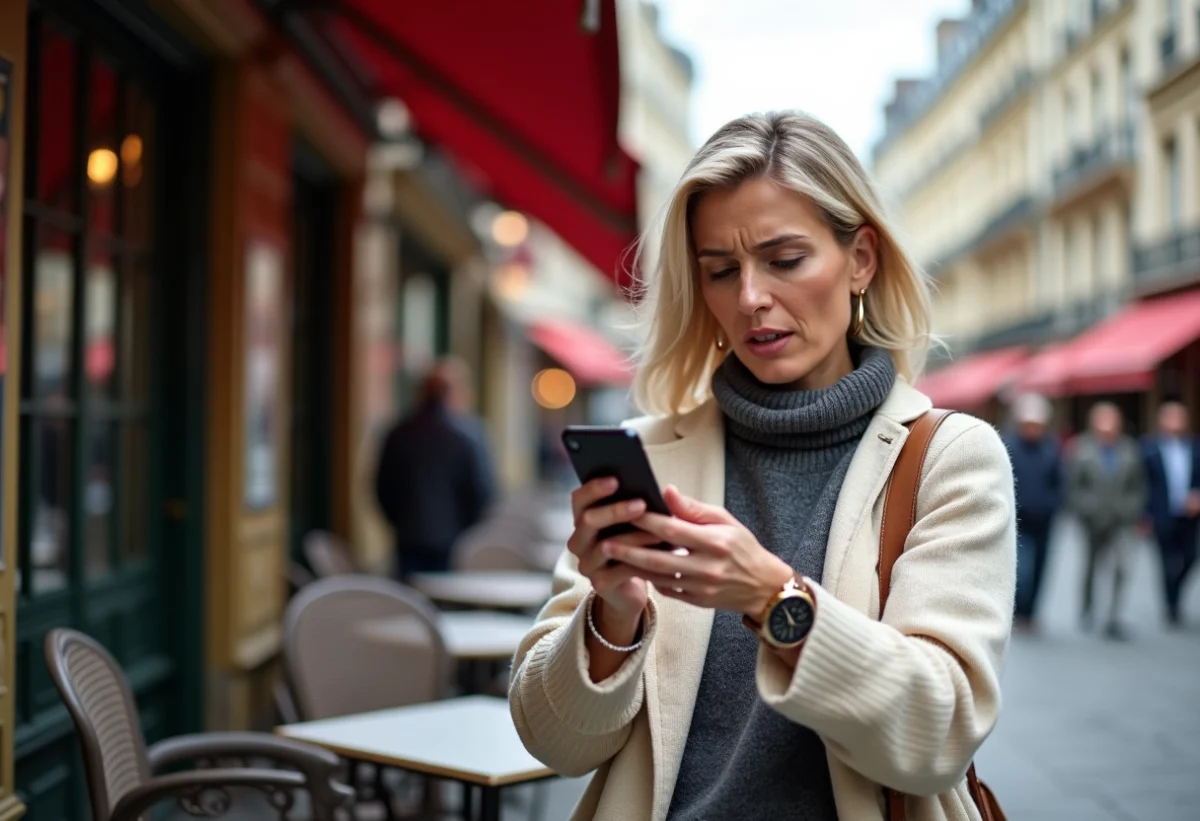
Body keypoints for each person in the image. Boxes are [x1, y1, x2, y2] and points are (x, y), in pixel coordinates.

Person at [509, 112, 1016, 821]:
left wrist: (776, 598)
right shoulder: (648, 454)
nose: (750, 297)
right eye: (720, 270)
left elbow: (937, 736)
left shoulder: (948, 457)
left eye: (784, 260)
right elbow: (554, 742)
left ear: (861, 258)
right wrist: (611, 617)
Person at [374, 357, 495, 580]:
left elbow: (382, 488)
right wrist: (462, 528)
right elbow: (483, 492)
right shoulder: (469, 435)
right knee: (448, 600)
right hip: (453, 539)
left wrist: (400, 522)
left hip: (407, 536)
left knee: (410, 598)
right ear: (455, 393)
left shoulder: (398, 433)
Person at [1066, 402, 1146, 640]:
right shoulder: (1082, 449)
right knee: (1091, 565)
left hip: (1122, 520)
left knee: (1122, 566)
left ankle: (1114, 616)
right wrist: (1085, 509)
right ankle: (1088, 609)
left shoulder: (1129, 450)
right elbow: (1074, 487)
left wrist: (1131, 509)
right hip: (1093, 519)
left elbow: (1138, 486)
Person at [1002, 392, 1062, 632]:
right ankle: (1018, 609)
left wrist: (1052, 505)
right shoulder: (1009, 446)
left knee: (1040, 567)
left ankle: (1031, 613)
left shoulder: (1051, 450)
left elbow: (1059, 482)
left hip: (1044, 520)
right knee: (1021, 569)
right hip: (1018, 520)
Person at [1141, 400, 1200, 627]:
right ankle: (1171, 605)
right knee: (1165, 562)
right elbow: (1142, 484)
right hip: (1162, 514)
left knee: (1190, 557)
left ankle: (1175, 592)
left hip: (1188, 514)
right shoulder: (1148, 448)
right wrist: (1145, 514)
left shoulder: (1194, 447)